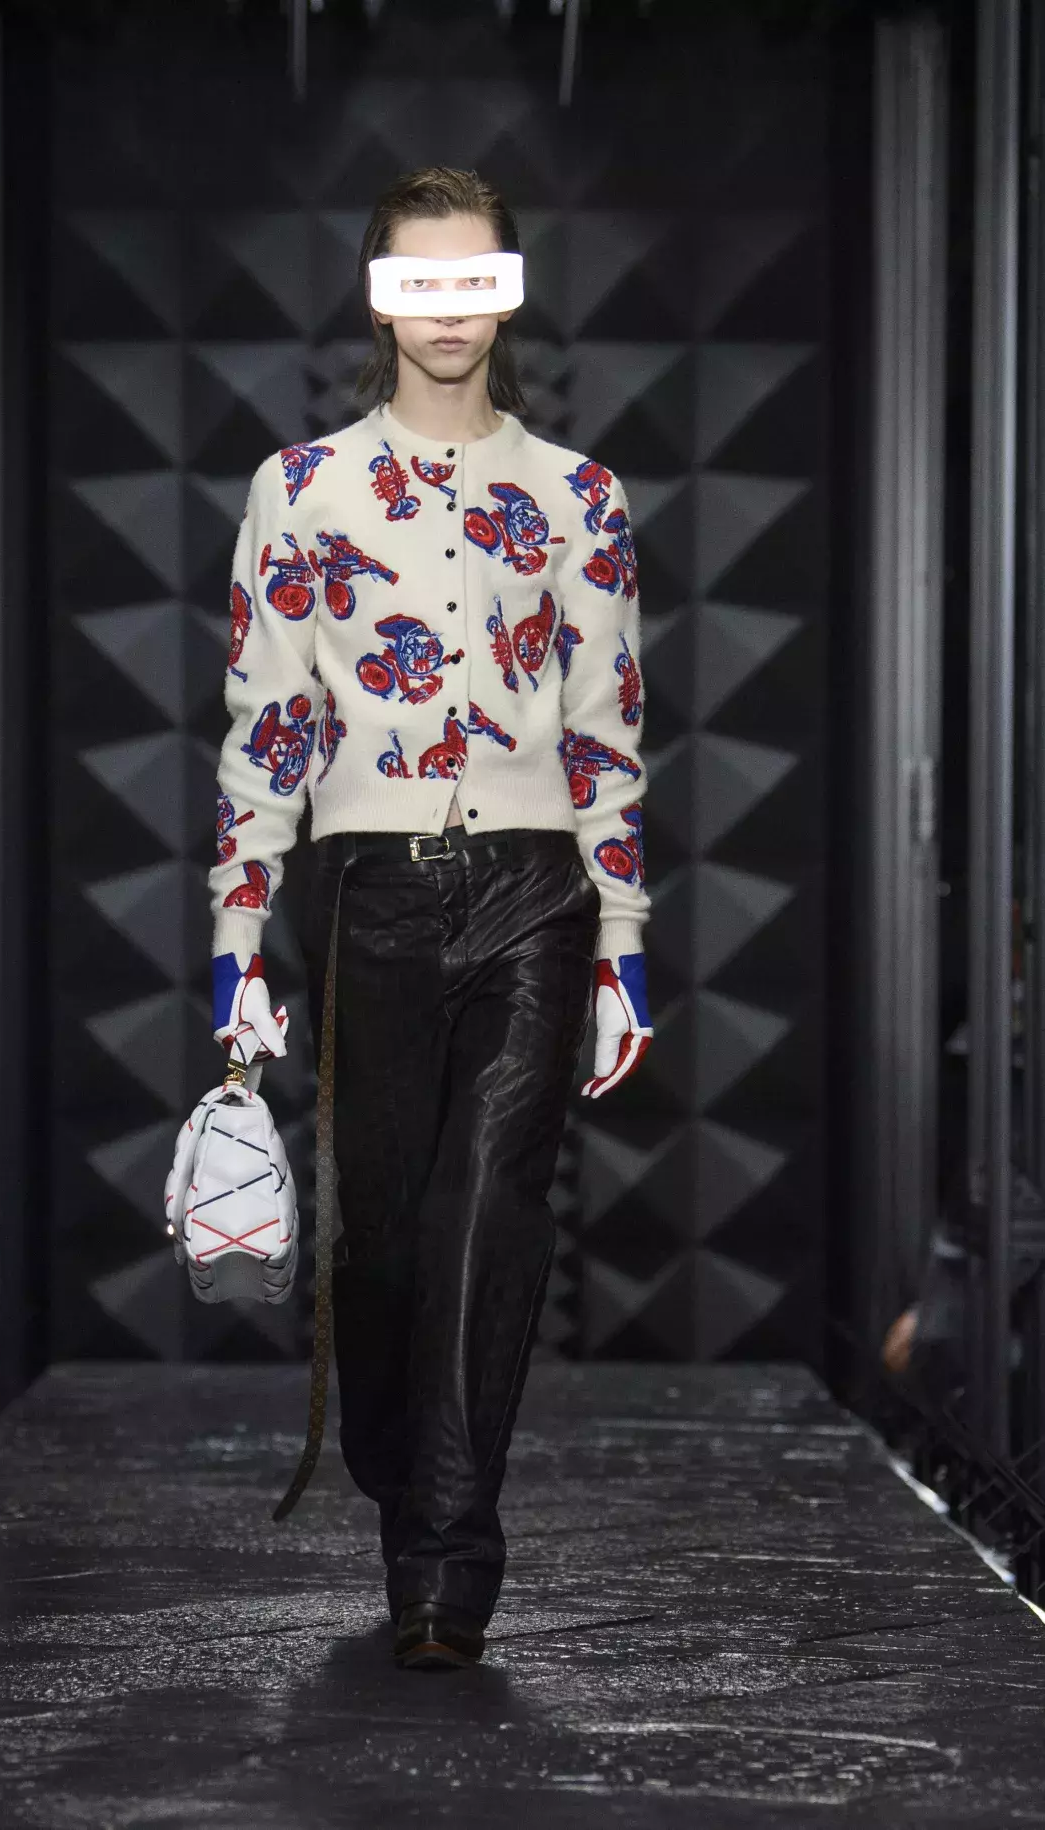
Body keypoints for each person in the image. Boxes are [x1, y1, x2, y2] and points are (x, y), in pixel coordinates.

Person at [209, 166, 654, 1669]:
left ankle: (447, 1564)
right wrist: (236, 947)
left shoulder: (580, 496)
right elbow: (269, 725)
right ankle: (401, 1465)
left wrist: (623, 946)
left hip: (539, 893)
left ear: (509, 295)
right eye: (421, 281)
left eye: (477, 279)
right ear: (378, 295)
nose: (450, 310)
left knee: (488, 1213)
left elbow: (604, 731)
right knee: (388, 1241)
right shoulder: (301, 490)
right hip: (373, 897)